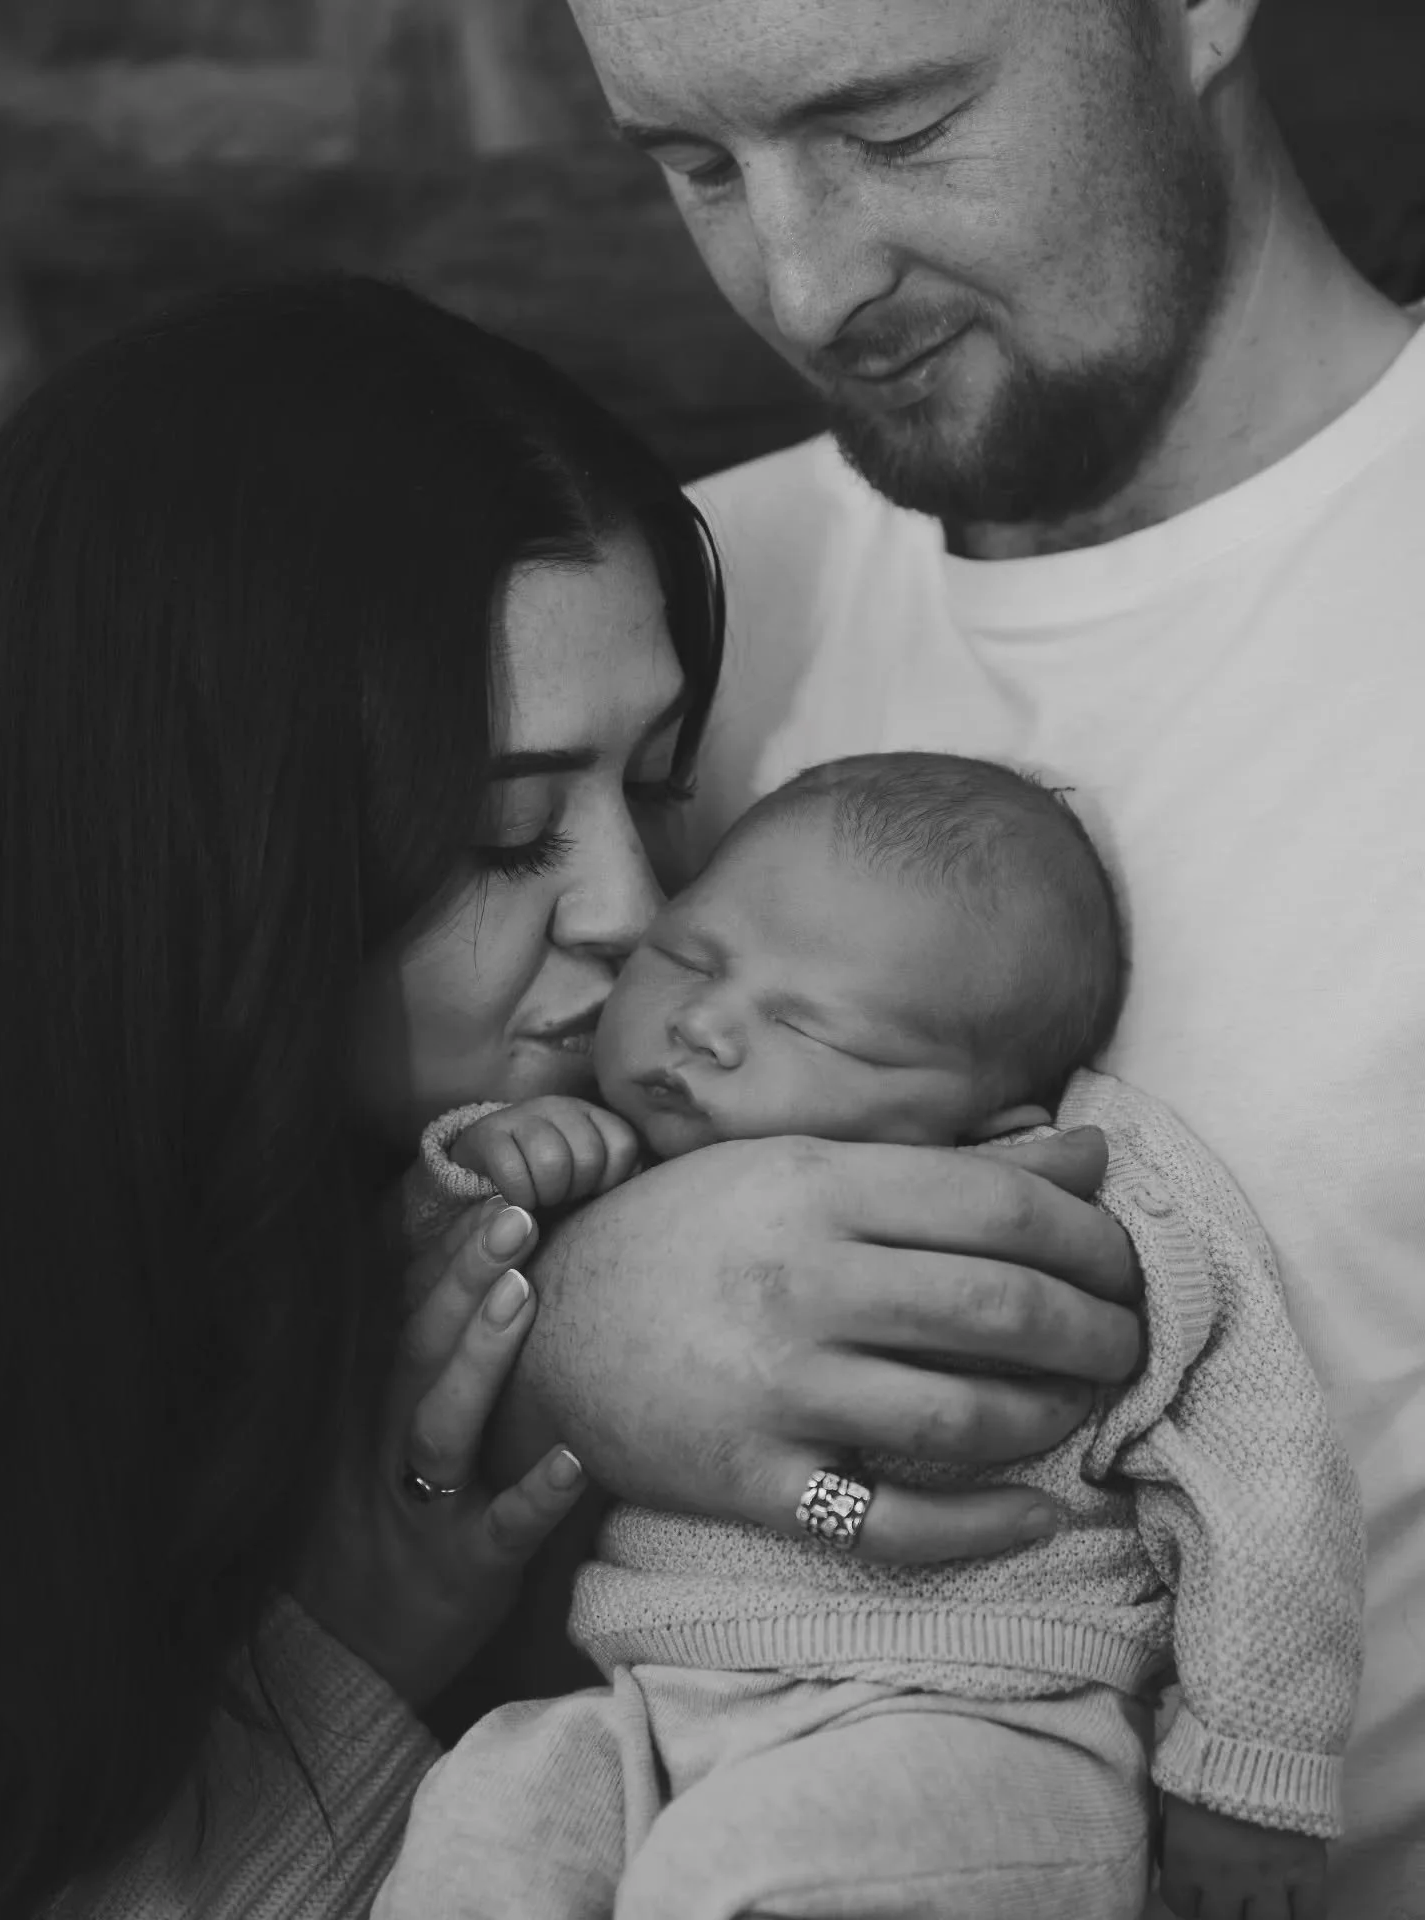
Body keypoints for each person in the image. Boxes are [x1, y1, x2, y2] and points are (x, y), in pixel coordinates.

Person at [0, 273, 1129, 1920]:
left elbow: (820, 1505)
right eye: (499, 829)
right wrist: (364, 1638)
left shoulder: (662, 1148)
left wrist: (625, 1375)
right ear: (194, 844)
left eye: (660, 785)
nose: (633, 909)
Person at [527, 0, 1425, 1910]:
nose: (800, 278)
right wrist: (583, 1331)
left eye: (900, 121)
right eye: (692, 165)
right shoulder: (664, 618)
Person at [374, 751, 1365, 1920]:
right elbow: (408, 1333)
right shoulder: (602, 1152)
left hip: (980, 1723)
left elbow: (1262, 1469)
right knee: (481, 1816)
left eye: (817, 1029)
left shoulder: (1090, 1209)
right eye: (687, 954)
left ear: (991, 1116)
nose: (702, 1025)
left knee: (743, 1874)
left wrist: (1253, 1769)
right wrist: (480, 1179)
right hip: (646, 1709)